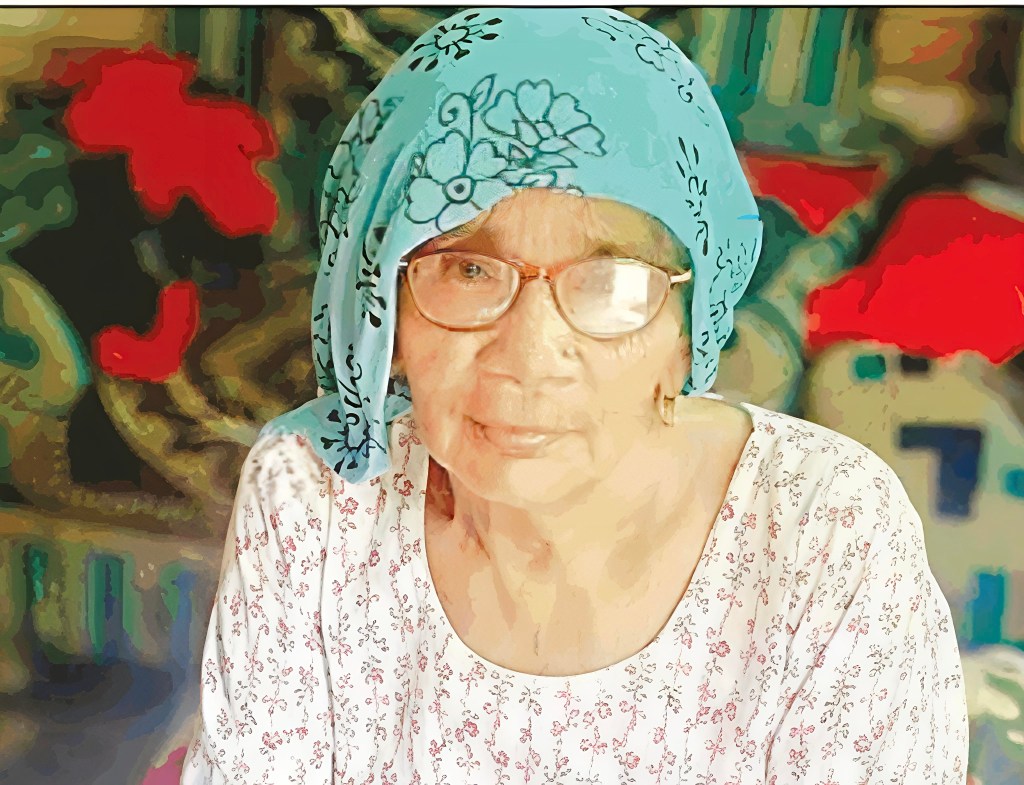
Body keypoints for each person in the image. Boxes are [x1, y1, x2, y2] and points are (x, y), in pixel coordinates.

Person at [180, 7, 969, 784]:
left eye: (609, 278)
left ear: (687, 334)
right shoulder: (314, 501)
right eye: (468, 269)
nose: (528, 357)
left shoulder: (825, 530)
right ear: (382, 302)